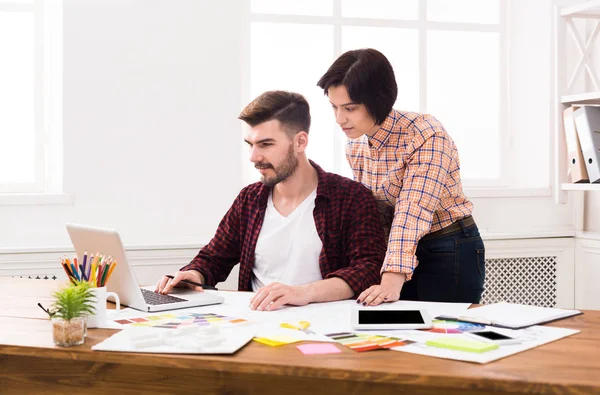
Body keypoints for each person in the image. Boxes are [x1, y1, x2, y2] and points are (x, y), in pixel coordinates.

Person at [156, 90, 386, 311]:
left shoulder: (351, 198)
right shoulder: (249, 199)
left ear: (300, 142)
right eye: (250, 145)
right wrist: (194, 275)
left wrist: (303, 293)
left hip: (323, 327)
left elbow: (367, 270)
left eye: (266, 144)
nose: (254, 157)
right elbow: (214, 257)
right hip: (257, 325)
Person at [317, 48, 485, 306]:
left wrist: (392, 276)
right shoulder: (356, 145)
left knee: (443, 335)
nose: (340, 119)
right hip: (397, 249)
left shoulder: (425, 133)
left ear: (377, 99)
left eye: (349, 108)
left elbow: (413, 210)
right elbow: (373, 211)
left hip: (447, 246)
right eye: (334, 107)